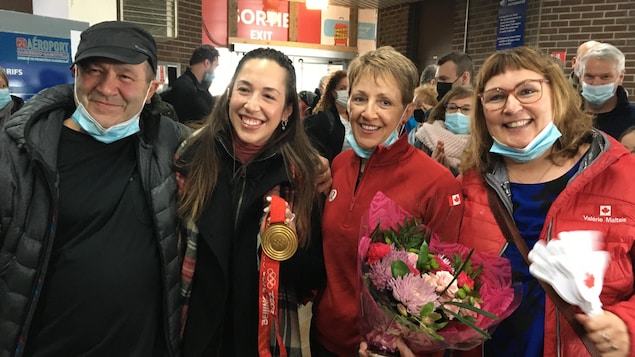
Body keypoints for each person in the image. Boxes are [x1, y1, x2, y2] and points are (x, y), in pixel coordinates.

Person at [0, 21, 189, 356]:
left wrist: (311, 165)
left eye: (125, 76)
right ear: (75, 74)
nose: (106, 87)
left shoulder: (175, 147)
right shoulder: (20, 151)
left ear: (151, 88)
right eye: (94, 71)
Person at [457, 46, 635, 357]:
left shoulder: (621, 176)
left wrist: (627, 325)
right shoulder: (471, 183)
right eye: (496, 96)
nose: (512, 107)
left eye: (527, 91)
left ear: (557, 94)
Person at [311, 46, 464, 357]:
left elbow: (447, 290)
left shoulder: (436, 183)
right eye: (359, 98)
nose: (369, 112)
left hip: (388, 350)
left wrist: (400, 342)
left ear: (406, 112)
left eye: (385, 102)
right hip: (326, 338)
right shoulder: (337, 167)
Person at [177, 47, 326, 357]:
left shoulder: (302, 177)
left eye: (269, 96)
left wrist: (285, 244)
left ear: (287, 111)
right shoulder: (189, 157)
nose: (252, 105)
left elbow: (311, 277)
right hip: (190, 334)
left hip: (261, 341)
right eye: (244, 90)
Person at [578, 42, 635, 140]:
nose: (596, 83)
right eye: (589, 76)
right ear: (580, 77)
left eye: (605, 77)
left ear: (620, 77)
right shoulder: (563, 116)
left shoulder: (632, 119)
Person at [414, 85, 473, 175]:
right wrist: (430, 169)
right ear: (444, 111)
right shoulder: (425, 137)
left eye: (466, 109)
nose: (458, 113)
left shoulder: (484, 147)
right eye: (452, 108)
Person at [161, 44, 219, 125]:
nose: (214, 71)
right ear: (207, 63)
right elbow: (181, 124)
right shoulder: (183, 87)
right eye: (215, 66)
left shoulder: (199, 87)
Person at [303, 70, 350, 162]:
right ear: (333, 92)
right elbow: (313, 152)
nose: (347, 92)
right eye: (342, 88)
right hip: (333, 171)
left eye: (350, 88)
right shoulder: (324, 119)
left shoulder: (356, 117)